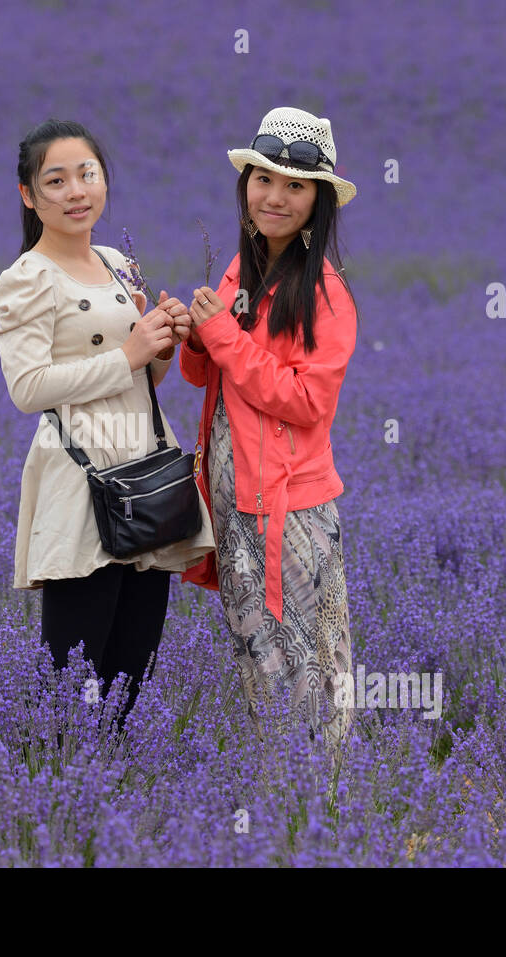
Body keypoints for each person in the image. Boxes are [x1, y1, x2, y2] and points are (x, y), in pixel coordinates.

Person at [0, 119, 216, 733]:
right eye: (55, 180)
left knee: (131, 671)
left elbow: (145, 380)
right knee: (73, 673)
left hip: (145, 469)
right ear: (28, 196)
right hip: (83, 480)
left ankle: (107, 795)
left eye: (86, 174)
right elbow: (27, 388)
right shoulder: (27, 278)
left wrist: (164, 340)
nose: (75, 191)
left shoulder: (119, 264)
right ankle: (50, 797)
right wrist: (128, 353)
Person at [179, 107, 361, 756]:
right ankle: (284, 806)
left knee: (312, 670)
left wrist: (223, 337)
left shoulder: (327, 295)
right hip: (235, 505)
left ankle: (326, 812)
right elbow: (210, 378)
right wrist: (196, 337)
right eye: (263, 179)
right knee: (262, 667)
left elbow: (307, 402)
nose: (275, 197)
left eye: (294, 185)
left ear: (318, 201)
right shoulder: (241, 267)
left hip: (291, 513)